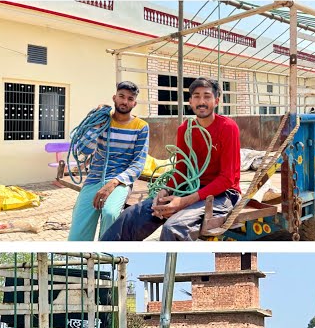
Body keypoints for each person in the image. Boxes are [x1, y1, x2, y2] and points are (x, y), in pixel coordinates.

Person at [101, 77, 241, 242]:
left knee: (173, 227)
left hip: (222, 194)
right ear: (190, 101)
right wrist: (166, 190)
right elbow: (181, 170)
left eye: (207, 96)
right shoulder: (185, 129)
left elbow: (227, 179)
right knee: (130, 217)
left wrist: (183, 201)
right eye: (196, 96)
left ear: (216, 101)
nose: (201, 101)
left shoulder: (228, 127)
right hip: (190, 187)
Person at [67, 82, 149, 241]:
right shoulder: (103, 121)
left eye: (130, 99)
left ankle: (104, 257)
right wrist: (96, 124)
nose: (125, 101)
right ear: (114, 97)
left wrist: (113, 183)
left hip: (119, 181)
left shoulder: (141, 127)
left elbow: (138, 164)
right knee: (78, 229)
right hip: (94, 178)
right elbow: (85, 149)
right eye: (121, 96)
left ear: (134, 103)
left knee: (110, 213)